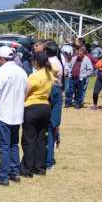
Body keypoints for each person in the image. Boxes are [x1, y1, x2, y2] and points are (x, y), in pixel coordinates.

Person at [0, 46, 28, 186]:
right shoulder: (21, 71)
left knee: (4, 145)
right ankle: (14, 172)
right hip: (17, 113)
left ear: (1, 58)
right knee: (14, 144)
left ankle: (3, 176)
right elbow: (25, 89)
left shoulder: (2, 71)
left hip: (4, 112)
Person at [20, 52, 53, 178]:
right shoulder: (50, 75)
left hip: (32, 107)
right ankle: (39, 167)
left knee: (29, 140)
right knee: (40, 139)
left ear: (36, 62)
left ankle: (26, 169)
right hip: (45, 107)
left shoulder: (34, 76)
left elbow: (26, 92)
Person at [45, 41, 65, 172]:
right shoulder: (59, 62)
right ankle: (49, 159)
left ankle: (48, 159)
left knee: (48, 127)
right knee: (53, 126)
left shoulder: (49, 63)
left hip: (50, 91)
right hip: (57, 91)